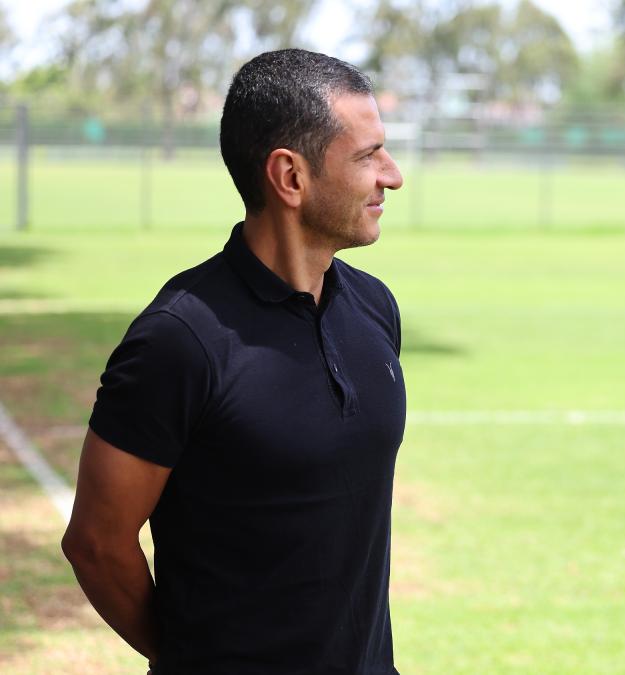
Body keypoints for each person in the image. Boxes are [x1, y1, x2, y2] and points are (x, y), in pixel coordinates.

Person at [61, 49, 406, 674]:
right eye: (367, 155)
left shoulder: (375, 309)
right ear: (290, 177)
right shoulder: (179, 340)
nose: (392, 174)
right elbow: (96, 543)